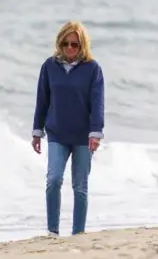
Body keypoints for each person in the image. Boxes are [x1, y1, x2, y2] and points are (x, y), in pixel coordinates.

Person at [31, 21, 105, 235]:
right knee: (53, 180)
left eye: (75, 44)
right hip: (57, 133)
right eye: (66, 43)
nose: (70, 48)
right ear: (59, 43)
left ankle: (78, 234)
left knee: (80, 188)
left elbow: (97, 103)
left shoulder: (93, 69)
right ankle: (52, 232)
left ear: (83, 45)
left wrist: (96, 132)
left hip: (83, 136)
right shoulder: (49, 66)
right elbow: (42, 100)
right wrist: (37, 131)